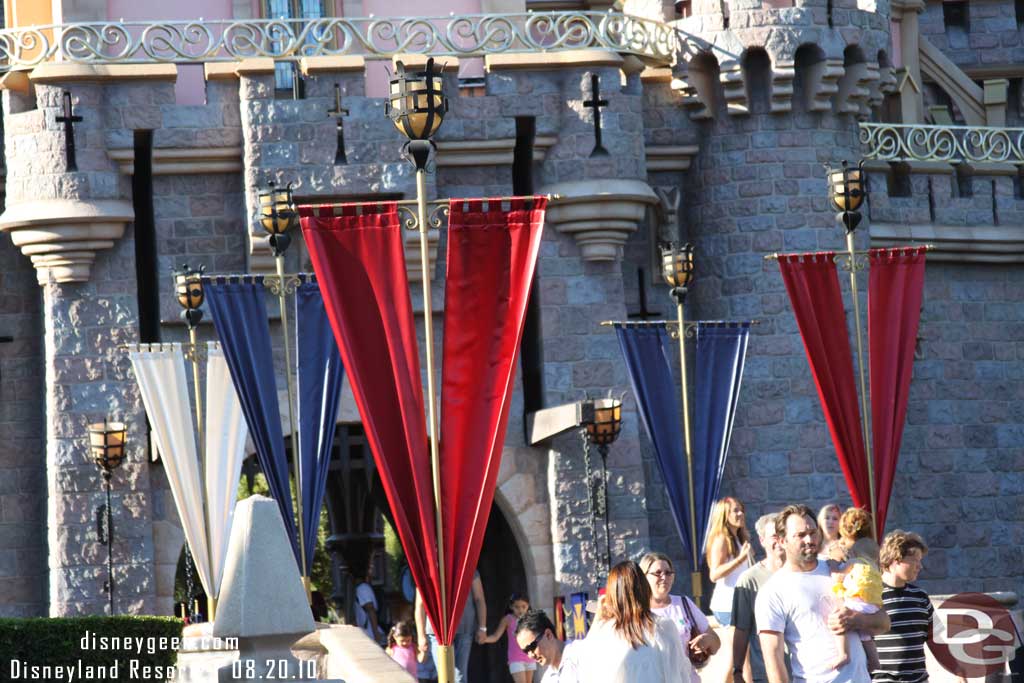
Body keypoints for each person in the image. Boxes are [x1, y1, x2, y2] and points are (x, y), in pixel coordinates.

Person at [756, 504, 890, 683]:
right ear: (782, 541)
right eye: (800, 535)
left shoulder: (841, 569)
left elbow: (884, 622)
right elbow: (774, 660)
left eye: (812, 532)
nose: (809, 540)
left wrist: (856, 620)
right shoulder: (773, 591)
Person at [575, 560, 691, 683]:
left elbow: (584, 670)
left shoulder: (602, 633)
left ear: (612, 595)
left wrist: (598, 618)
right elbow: (680, 674)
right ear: (644, 589)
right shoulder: (663, 626)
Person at [640, 551, 720, 683]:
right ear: (644, 577)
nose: (664, 577)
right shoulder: (638, 611)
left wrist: (706, 640)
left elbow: (716, 643)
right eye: (658, 573)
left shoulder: (683, 603)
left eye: (668, 573)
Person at [732, 513, 786, 683]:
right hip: (766, 672)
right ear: (762, 540)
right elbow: (742, 629)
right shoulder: (749, 580)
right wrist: (738, 670)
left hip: (805, 671)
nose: (780, 540)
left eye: (782, 534)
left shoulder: (801, 572)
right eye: (774, 536)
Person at [872, 531, 932, 683]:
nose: (920, 566)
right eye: (915, 560)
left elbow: (934, 639)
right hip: (882, 679)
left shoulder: (921, 597)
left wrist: (956, 668)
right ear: (896, 559)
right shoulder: (870, 596)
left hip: (919, 679)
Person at [414, 571, 488, 683]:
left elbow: (479, 598)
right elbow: (420, 605)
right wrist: (421, 636)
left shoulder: (467, 565)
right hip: (437, 631)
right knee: (445, 676)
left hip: (464, 628)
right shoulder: (427, 568)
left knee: (460, 677)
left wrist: (482, 627)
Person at [707, 497, 754, 627]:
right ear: (725, 516)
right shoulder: (721, 539)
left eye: (742, 510)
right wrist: (740, 560)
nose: (741, 514)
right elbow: (714, 574)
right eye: (736, 511)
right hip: (727, 605)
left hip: (741, 603)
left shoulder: (738, 538)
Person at [829, 562, 883, 671]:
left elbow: (837, 576)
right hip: (872, 605)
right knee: (866, 637)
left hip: (858, 602)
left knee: (838, 619)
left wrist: (832, 564)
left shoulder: (853, 565)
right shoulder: (868, 566)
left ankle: (844, 654)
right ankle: (875, 661)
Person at [515, 609, 581, 683]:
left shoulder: (581, 654)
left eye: (532, 647)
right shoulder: (547, 679)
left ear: (548, 635)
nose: (530, 655)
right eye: (526, 651)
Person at [484, 592, 537, 683]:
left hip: (530, 658)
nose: (520, 610)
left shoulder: (531, 619)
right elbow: (496, 636)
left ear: (528, 606)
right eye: (517, 607)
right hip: (515, 659)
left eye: (523, 607)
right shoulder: (508, 619)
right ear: (511, 607)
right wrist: (485, 639)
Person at [354, 554, 385, 644]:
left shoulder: (361, 588)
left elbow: (369, 609)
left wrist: (375, 633)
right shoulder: (363, 588)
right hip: (370, 632)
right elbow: (370, 609)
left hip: (368, 632)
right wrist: (376, 633)